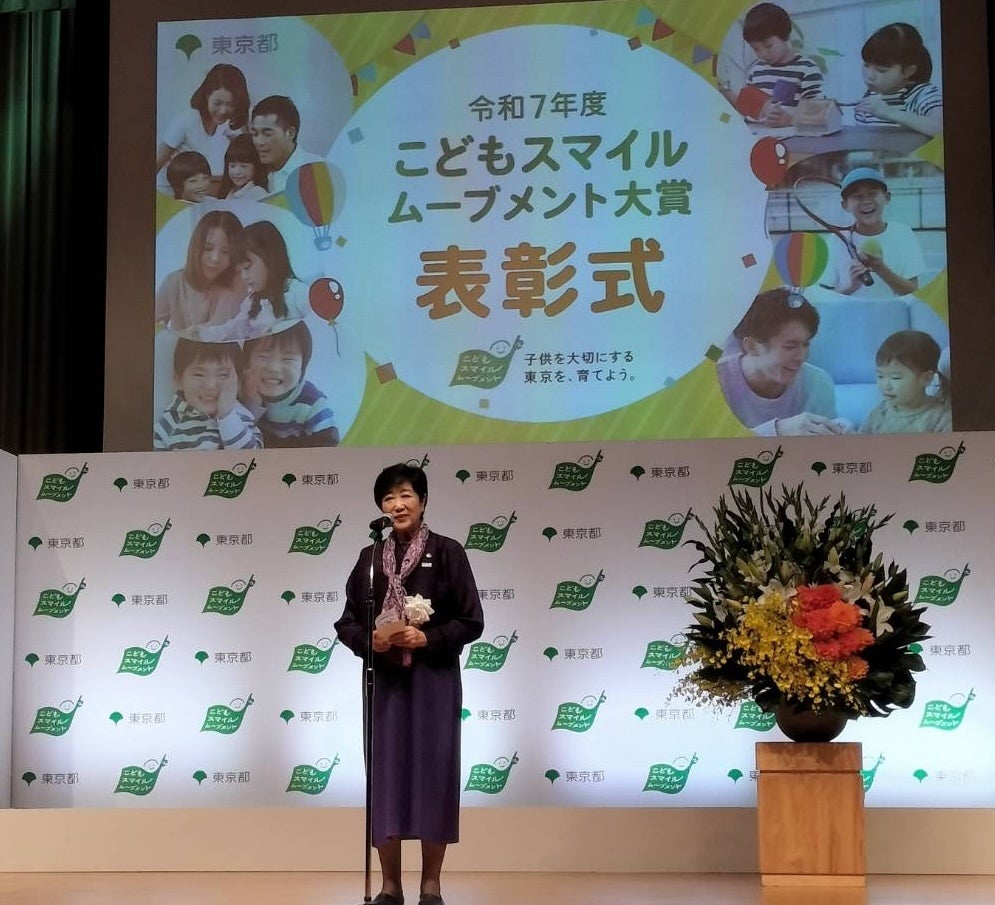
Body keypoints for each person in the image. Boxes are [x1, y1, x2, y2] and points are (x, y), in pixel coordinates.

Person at [334, 464, 484, 905]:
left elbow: (471, 620)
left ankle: (431, 884)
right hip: (386, 683)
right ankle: (390, 885)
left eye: (405, 495)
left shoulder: (448, 552)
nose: (397, 505)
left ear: (423, 501)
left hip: (434, 680)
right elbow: (346, 622)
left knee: (434, 774)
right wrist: (372, 641)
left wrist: (427, 638)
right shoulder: (369, 560)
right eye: (388, 498)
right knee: (387, 778)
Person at [717, 287, 844, 436]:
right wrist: (776, 430)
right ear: (752, 346)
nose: (802, 357)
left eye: (806, 344)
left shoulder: (817, 383)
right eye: (790, 346)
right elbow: (705, 445)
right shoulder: (715, 383)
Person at [196, 220, 306, 342]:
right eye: (240, 271)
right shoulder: (252, 300)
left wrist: (274, 332)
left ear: (270, 258)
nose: (243, 276)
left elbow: (315, 325)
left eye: (247, 267)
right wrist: (201, 334)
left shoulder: (298, 293)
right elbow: (234, 329)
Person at [829, 167, 925, 298]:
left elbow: (913, 292)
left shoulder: (904, 233)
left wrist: (881, 269)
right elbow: (825, 298)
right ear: (844, 205)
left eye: (872, 194)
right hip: (849, 312)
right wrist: (851, 287)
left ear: (887, 197)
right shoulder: (834, 241)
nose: (866, 201)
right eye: (857, 196)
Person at [240, 320, 339, 447]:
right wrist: (253, 406)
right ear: (247, 362)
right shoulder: (238, 392)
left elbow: (329, 449)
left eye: (288, 359)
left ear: (302, 367)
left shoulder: (312, 405)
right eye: (263, 357)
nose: (274, 368)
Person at [153, 338, 261, 450]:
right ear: (178, 380)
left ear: (238, 382)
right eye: (199, 375)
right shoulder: (169, 423)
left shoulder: (241, 416)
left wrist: (227, 417)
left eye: (223, 375)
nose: (210, 385)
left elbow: (254, 456)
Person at [726, 3, 823, 126]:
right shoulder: (756, 70)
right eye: (756, 49)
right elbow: (748, 107)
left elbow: (818, 115)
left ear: (785, 36)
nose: (763, 54)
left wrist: (790, 120)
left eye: (768, 46)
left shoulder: (806, 69)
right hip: (755, 133)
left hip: (791, 136)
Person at [156, 63, 250, 189]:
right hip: (170, 192)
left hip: (201, 193)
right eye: (217, 103)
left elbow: (245, 158)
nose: (223, 111)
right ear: (207, 96)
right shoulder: (187, 121)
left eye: (230, 105)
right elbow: (156, 163)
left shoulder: (228, 126)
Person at [155, 209, 245, 333]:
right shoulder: (174, 282)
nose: (215, 259)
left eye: (226, 252)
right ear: (196, 247)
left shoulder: (239, 281)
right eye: (208, 248)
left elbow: (222, 330)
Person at [855, 23, 943, 137]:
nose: (870, 76)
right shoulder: (871, 97)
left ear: (909, 71)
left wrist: (889, 112)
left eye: (882, 70)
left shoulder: (923, 95)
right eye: (866, 65)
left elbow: (941, 128)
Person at [860, 330, 951, 433]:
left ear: (926, 378)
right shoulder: (880, 412)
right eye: (880, 376)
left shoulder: (941, 418)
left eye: (895, 377)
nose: (886, 385)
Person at [250, 95, 324, 195]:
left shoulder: (316, 170)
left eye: (267, 134)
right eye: (255, 134)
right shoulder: (252, 169)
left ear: (291, 133)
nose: (259, 142)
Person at [217, 134, 269, 201]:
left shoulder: (258, 193)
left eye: (243, 166)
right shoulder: (230, 190)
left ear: (256, 166)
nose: (237, 172)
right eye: (232, 166)